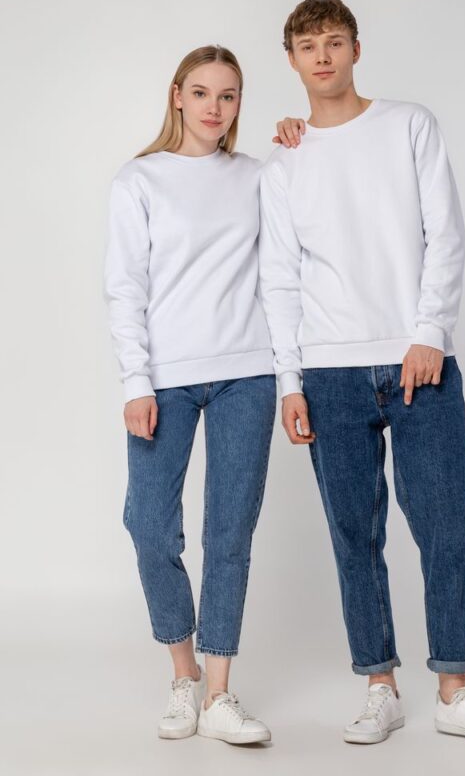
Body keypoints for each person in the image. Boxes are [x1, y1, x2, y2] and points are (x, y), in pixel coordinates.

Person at [259, 0, 465, 749]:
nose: (322, 56)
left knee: (446, 524)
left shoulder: (410, 124)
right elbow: (279, 278)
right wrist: (289, 382)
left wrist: (429, 332)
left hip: (420, 363)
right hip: (328, 372)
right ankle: (379, 685)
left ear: (356, 49)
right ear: (291, 59)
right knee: (355, 534)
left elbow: (445, 230)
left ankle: (454, 689)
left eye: (334, 42)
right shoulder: (283, 160)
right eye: (308, 45)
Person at [105, 44, 282, 744]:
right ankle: (184, 673)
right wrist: (136, 381)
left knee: (230, 532)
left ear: (240, 104)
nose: (215, 107)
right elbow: (125, 288)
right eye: (202, 93)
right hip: (165, 378)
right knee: (149, 525)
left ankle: (219, 691)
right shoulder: (139, 179)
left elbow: (289, 257)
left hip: (249, 371)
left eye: (229, 95)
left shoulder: (259, 176)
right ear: (177, 95)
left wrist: (299, 139)